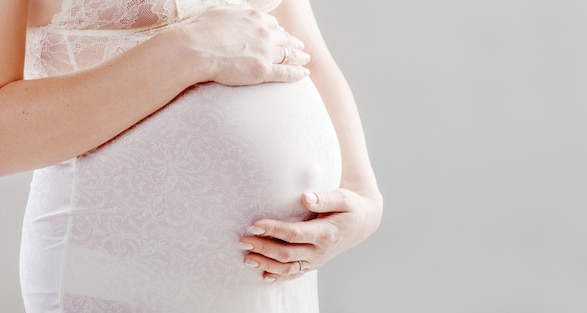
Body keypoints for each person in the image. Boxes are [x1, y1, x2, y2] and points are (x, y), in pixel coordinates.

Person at [0, 0, 383, 312]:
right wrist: (181, 53)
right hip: (120, 274)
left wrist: (362, 195)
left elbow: (307, 53)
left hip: (276, 289)